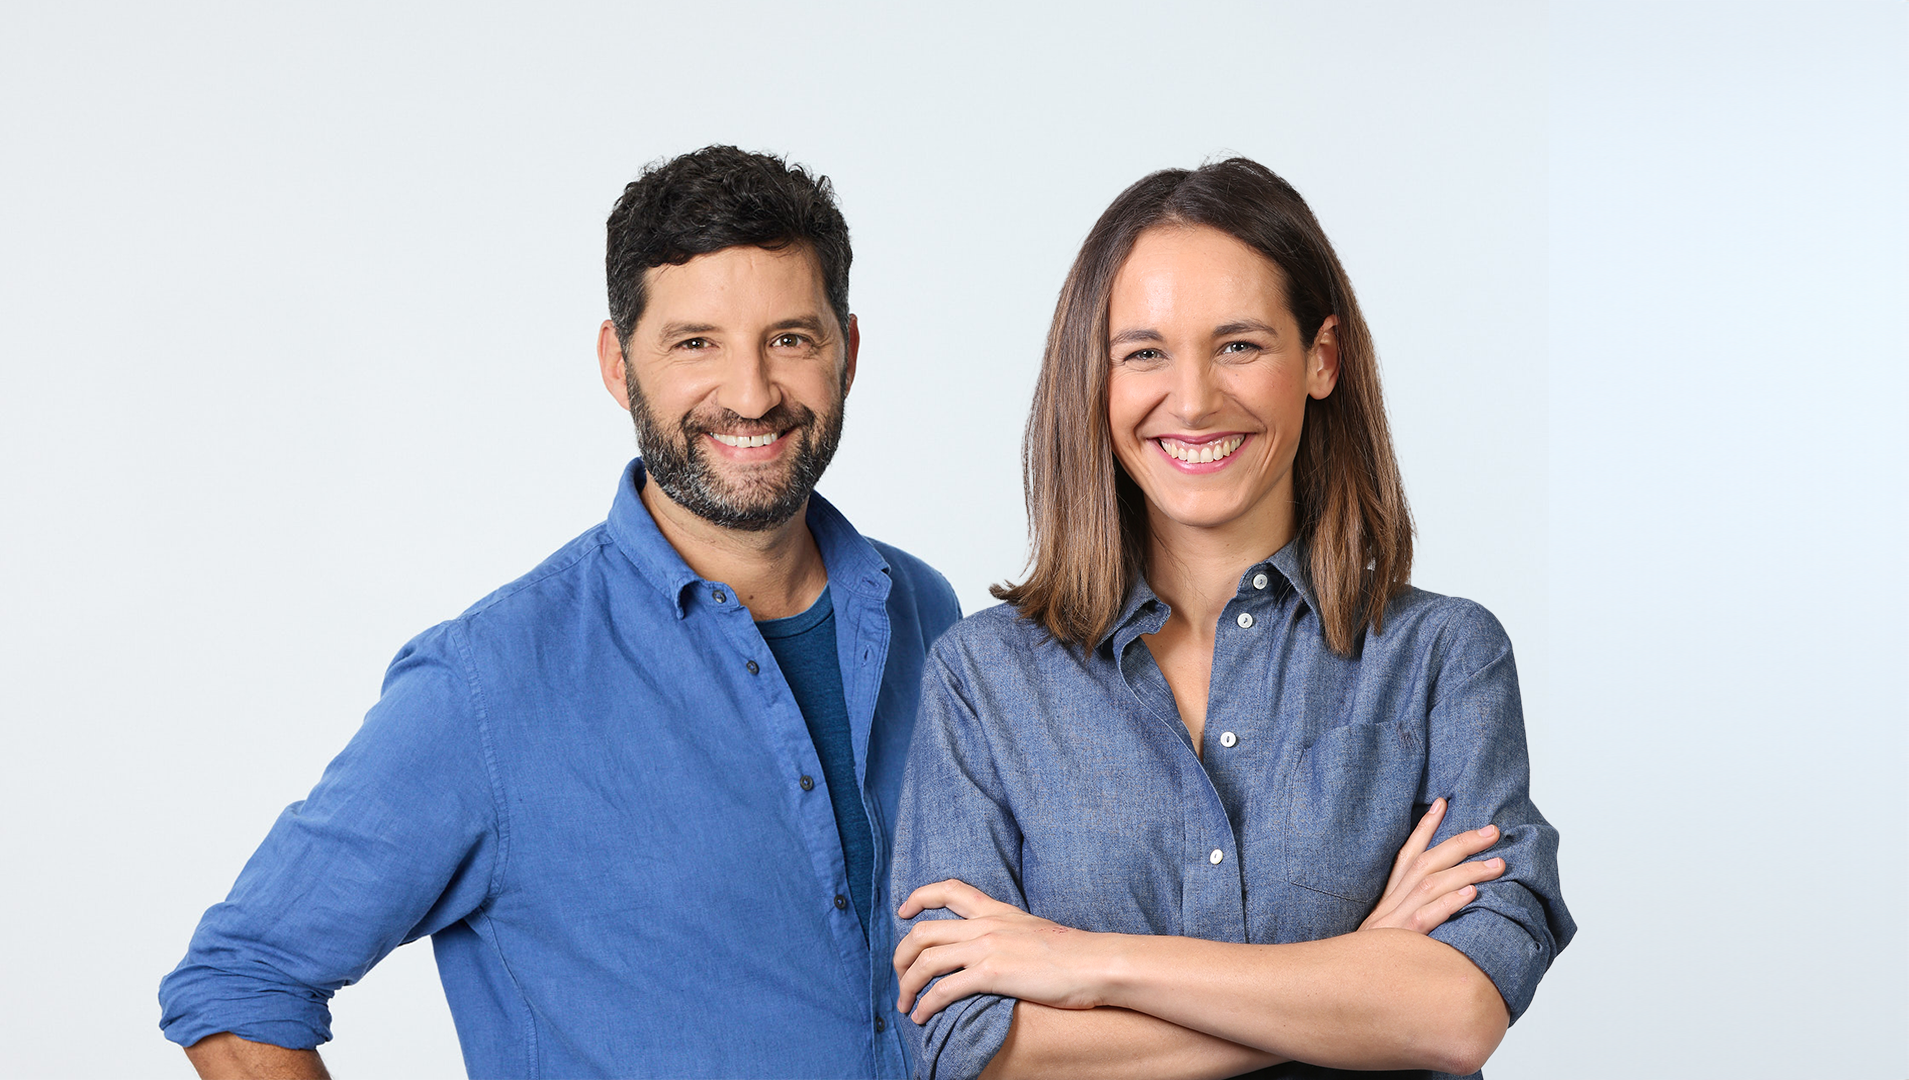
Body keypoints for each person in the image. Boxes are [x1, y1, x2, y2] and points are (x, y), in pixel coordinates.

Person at [158, 145, 961, 1079]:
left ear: (847, 353)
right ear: (619, 365)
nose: (751, 393)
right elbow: (240, 981)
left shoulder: (925, 614)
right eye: (695, 342)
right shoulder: (487, 685)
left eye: (790, 337)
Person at [890, 158, 1576, 1080]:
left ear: (1320, 359)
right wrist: (1355, 975)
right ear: (1094, 380)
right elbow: (973, 1048)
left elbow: (1455, 1012)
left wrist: (1083, 962)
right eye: (1144, 352)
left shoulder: (1443, 659)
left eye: (1240, 346)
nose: (1195, 399)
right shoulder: (983, 680)